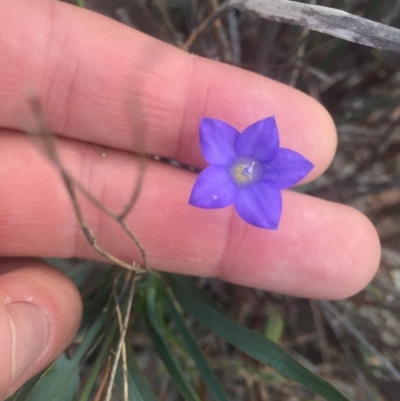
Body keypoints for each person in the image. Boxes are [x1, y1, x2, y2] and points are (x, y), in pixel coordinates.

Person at [0, 0, 380, 398]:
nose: (246, 171)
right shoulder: (222, 161)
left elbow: (260, 193)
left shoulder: (261, 185)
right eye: (244, 169)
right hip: (215, 175)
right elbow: (220, 149)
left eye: (249, 170)